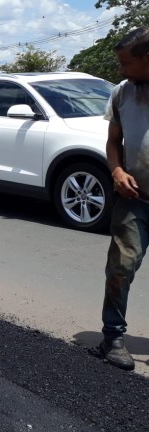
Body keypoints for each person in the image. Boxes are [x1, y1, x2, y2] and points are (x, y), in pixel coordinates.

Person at [99, 27, 149, 371]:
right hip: (135, 200)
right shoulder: (122, 93)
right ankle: (112, 337)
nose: (121, 70)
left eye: (126, 63)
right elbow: (113, 141)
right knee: (120, 268)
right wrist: (117, 171)